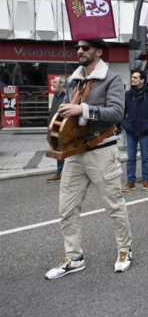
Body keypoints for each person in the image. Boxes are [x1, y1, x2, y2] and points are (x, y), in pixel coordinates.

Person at [45, 39, 133, 279]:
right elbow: (67, 113)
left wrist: (83, 110)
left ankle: (125, 250)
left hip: (102, 149)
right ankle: (74, 258)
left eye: (85, 48)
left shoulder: (111, 78)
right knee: (67, 208)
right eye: (78, 48)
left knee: (113, 205)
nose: (80, 51)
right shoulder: (74, 79)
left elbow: (117, 113)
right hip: (75, 152)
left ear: (98, 51)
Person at [122, 70, 148, 192]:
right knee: (130, 158)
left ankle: (146, 181)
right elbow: (122, 111)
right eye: (132, 77)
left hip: (144, 131)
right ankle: (130, 182)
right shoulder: (127, 94)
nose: (132, 79)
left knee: (145, 158)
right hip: (131, 131)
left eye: (135, 77)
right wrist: (125, 124)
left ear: (142, 80)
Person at [46, 77, 67, 183]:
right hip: (53, 127)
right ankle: (59, 172)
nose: (52, 83)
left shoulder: (66, 97)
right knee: (58, 150)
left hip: (61, 128)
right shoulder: (55, 96)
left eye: (55, 82)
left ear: (62, 84)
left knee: (63, 150)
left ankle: (61, 172)